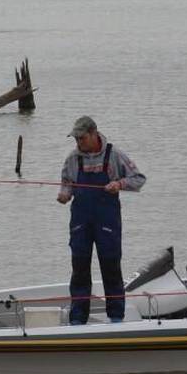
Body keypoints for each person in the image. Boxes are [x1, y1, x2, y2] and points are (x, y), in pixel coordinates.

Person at [56, 116, 145, 325]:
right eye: (76, 139)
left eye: (82, 138)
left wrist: (119, 184)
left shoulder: (115, 155)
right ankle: (78, 318)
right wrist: (64, 194)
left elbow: (139, 179)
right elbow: (66, 183)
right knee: (79, 267)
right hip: (80, 220)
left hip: (107, 219)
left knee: (110, 265)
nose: (79, 143)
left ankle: (116, 316)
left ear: (94, 133)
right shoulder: (72, 159)